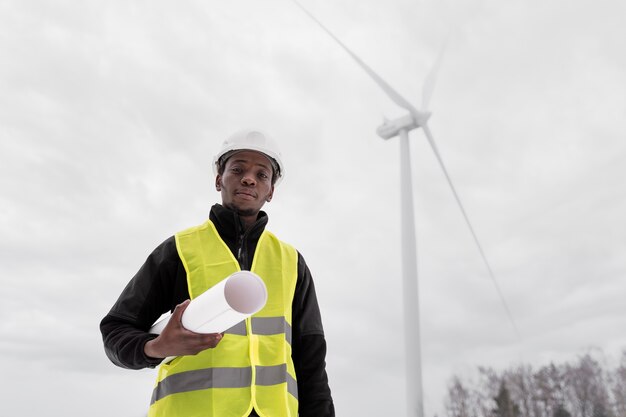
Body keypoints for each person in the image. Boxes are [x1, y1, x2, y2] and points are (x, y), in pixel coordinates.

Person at [100, 129, 334, 417]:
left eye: (262, 175)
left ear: (271, 190)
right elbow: (115, 331)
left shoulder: (291, 262)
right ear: (218, 179)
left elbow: (311, 363)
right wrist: (156, 347)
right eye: (238, 169)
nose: (249, 178)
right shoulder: (179, 251)